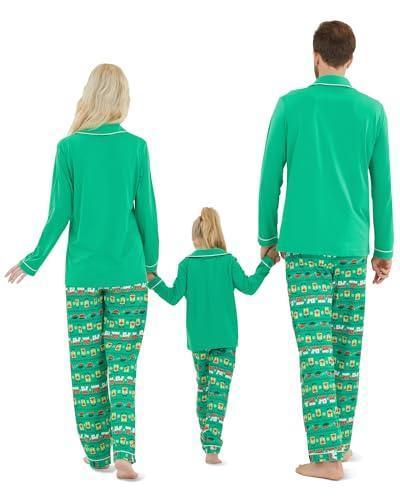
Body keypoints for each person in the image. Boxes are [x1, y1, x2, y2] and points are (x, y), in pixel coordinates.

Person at [5, 64, 159, 480]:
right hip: (129, 275)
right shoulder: (136, 147)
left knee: (87, 369)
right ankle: (124, 452)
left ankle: (97, 455)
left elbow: (59, 214)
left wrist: (33, 260)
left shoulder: (69, 148)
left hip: (83, 279)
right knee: (123, 368)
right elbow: (147, 212)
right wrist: (151, 266)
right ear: (122, 97)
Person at [258, 21, 393, 480]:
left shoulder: (290, 105)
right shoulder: (372, 111)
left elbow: (269, 178)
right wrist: (384, 248)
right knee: (345, 346)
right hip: (353, 247)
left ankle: (326, 457)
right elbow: (382, 188)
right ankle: (340, 441)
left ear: (315, 56)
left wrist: (267, 237)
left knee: (315, 349)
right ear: (350, 59)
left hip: (303, 248)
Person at [147, 207, 279, 464]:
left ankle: (208, 443)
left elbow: (172, 297)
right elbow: (249, 287)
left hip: (198, 341)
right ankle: (211, 448)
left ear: (194, 237)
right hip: (225, 340)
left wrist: (153, 280)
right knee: (217, 394)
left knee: (205, 391)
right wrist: (267, 263)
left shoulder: (187, 264)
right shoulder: (228, 261)